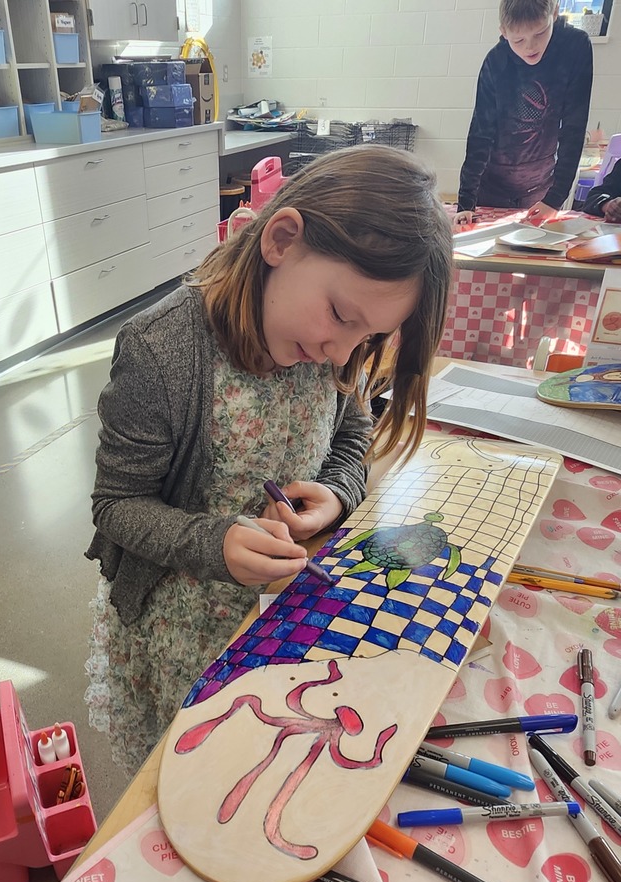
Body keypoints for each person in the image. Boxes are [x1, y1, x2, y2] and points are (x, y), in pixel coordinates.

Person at [84, 146, 453, 778]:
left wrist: (338, 490)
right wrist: (214, 541)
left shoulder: (336, 346)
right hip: (182, 626)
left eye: (366, 338)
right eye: (340, 315)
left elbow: (352, 431)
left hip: (281, 616)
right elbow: (116, 506)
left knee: (267, 764)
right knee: (187, 776)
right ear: (281, 240)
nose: (341, 351)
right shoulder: (162, 352)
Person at [454, 0, 592, 229]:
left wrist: (554, 198)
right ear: (503, 32)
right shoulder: (496, 61)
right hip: (492, 183)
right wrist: (466, 202)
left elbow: (573, 128)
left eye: (540, 33)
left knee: (532, 251)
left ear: (555, 13)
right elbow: (480, 134)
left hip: (540, 185)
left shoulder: (575, 47)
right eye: (518, 40)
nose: (530, 46)